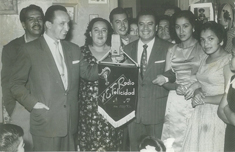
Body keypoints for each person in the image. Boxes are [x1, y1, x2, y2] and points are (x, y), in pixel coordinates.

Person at [9, 5, 98, 151]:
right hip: (45, 122)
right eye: (62, 23)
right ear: (48, 25)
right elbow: (14, 84)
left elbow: (89, 73)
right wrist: (33, 103)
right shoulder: (29, 50)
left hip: (70, 123)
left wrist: (113, 63)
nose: (67, 28)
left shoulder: (74, 49)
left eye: (68, 23)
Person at [154, 10, 206, 152]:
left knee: (193, 141)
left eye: (185, 26)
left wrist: (197, 88)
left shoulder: (202, 48)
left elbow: (207, 78)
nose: (181, 31)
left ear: (193, 27)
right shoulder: (172, 49)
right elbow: (166, 79)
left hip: (194, 99)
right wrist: (175, 86)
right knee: (174, 142)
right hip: (175, 101)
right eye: (177, 27)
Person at [123, 9, 174, 151]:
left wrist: (166, 77)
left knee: (157, 148)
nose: (145, 28)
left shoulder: (168, 48)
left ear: (156, 27)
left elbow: (175, 73)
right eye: (141, 24)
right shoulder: (126, 49)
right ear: (137, 27)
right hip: (133, 113)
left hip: (157, 110)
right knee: (134, 148)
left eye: (150, 24)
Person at [181, 21, 230, 152]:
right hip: (200, 112)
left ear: (221, 40)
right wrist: (195, 89)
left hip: (218, 114)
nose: (205, 44)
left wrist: (204, 99)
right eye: (202, 40)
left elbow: (230, 96)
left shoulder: (229, 61)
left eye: (210, 39)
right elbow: (202, 82)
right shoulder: (205, 58)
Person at [1, 5, 44, 151]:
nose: (36, 22)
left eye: (39, 18)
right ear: (23, 24)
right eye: (31, 19)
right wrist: (12, 110)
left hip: (47, 107)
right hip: (21, 108)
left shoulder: (52, 46)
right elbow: (6, 83)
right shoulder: (11, 48)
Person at [77, 17, 123, 151]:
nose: (100, 34)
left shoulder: (117, 53)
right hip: (87, 112)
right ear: (90, 33)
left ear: (108, 33)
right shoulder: (80, 52)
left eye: (104, 30)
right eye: (96, 30)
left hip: (111, 111)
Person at [218, 50, 235, 151]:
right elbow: (220, 111)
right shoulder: (232, 79)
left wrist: (227, 108)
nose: (230, 58)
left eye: (233, 55)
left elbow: (224, 108)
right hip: (231, 136)